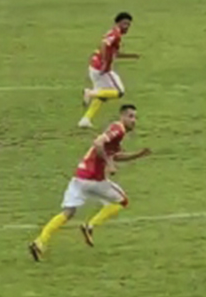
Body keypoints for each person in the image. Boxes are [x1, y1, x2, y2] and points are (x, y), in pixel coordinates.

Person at [30, 104, 152, 260]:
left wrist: (138, 155)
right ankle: (90, 225)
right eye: (130, 116)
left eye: (135, 117)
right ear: (122, 117)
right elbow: (98, 143)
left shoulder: (117, 137)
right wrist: (108, 163)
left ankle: (40, 242)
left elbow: (116, 155)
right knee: (122, 201)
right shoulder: (118, 128)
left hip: (79, 177)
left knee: (68, 213)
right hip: (94, 179)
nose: (134, 121)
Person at [79, 13, 139, 129]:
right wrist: (105, 62)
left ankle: (85, 120)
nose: (126, 26)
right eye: (124, 23)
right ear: (118, 23)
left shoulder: (114, 33)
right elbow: (104, 44)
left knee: (102, 96)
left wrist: (131, 56)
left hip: (95, 66)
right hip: (101, 68)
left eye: (128, 24)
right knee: (119, 91)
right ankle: (89, 93)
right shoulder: (115, 34)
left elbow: (114, 53)